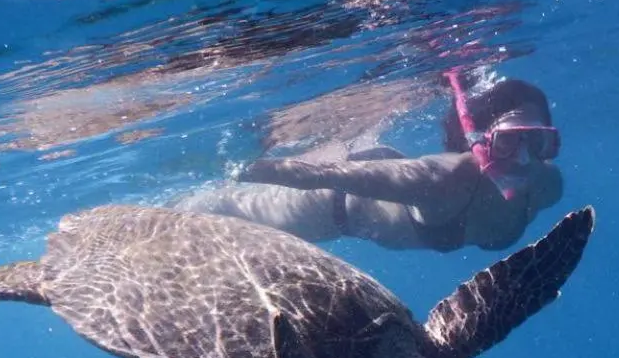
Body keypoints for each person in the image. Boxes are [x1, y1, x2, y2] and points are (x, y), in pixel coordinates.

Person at [172, 73, 564, 252]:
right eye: (510, 142)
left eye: (538, 140)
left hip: (384, 175)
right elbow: (320, 176)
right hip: (328, 207)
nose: (527, 156)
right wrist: (236, 166)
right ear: (479, 141)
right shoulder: (441, 178)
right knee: (210, 210)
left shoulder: (548, 185)